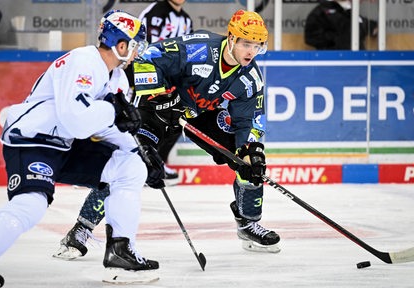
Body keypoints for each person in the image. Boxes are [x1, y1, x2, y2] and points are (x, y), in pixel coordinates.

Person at [0, 10, 162, 287]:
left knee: (130, 168)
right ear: (122, 45)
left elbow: (109, 127)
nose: (136, 52)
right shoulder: (83, 61)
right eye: (136, 45)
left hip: (66, 144)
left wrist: (140, 153)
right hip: (32, 139)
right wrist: (112, 111)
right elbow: (78, 119)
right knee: (32, 204)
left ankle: (121, 252)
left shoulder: (117, 78)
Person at [52, 10, 280, 261]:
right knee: (130, 161)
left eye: (258, 46)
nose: (251, 51)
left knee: (249, 161)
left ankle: (248, 224)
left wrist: (250, 150)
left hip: (197, 112)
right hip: (156, 107)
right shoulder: (198, 48)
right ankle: (81, 229)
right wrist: (161, 94)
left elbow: (248, 120)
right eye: (246, 44)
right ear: (232, 38)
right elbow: (147, 57)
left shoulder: (250, 77)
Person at [52, 2, 193, 259]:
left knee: (130, 163)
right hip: (131, 103)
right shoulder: (149, 18)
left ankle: (112, 243)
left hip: (155, 101)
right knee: (124, 162)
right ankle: (84, 229)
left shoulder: (184, 22)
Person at [139, 0, 194, 179]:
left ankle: (158, 161)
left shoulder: (186, 19)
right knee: (137, 118)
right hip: (146, 75)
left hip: (172, 78)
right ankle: (109, 165)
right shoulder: (156, 12)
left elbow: (191, 49)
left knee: (178, 117)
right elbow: (146, 47)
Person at [304, 0, 378, 50]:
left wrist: (374, 27)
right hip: (333, 61)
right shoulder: (320, 12)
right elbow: (310, 38)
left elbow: (363, 25)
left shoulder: (349, 11)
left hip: (358, 60)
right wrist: (335, 39)